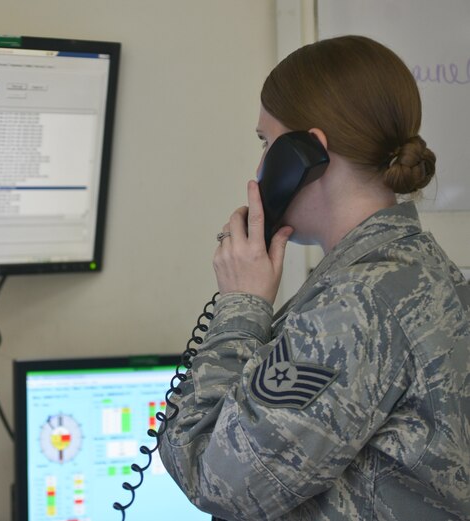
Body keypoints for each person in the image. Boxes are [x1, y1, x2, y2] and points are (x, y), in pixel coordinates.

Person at [159, 35, 470, 520]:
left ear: (306, 155)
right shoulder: (417, 269)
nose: (260, 167)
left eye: (266, 144)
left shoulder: (354, 306)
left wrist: (242, 306)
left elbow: (213, 476)